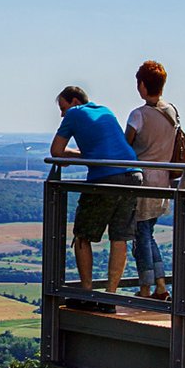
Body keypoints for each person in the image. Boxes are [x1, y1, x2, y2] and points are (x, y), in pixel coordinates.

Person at [51, 85, 143, 311]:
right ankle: (110, 298)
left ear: (73, 102)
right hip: (134, 174)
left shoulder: (74, 114)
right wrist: (88, 154)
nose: (62, 114)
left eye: (62, 108)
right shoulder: (105, 110)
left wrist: (78, 155)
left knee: (82, 235)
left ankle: (87, 293)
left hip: (105, 177)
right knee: (119, 237)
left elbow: (56, 150)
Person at [123, 61, 181, 300]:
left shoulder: (138, 115)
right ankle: (159, 285)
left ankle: (147, 287)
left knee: (142, 234)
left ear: (143, 85)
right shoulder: (172, 112)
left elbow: (124, 147)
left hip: (142, 181)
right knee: (148, 233)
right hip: (164, 181)